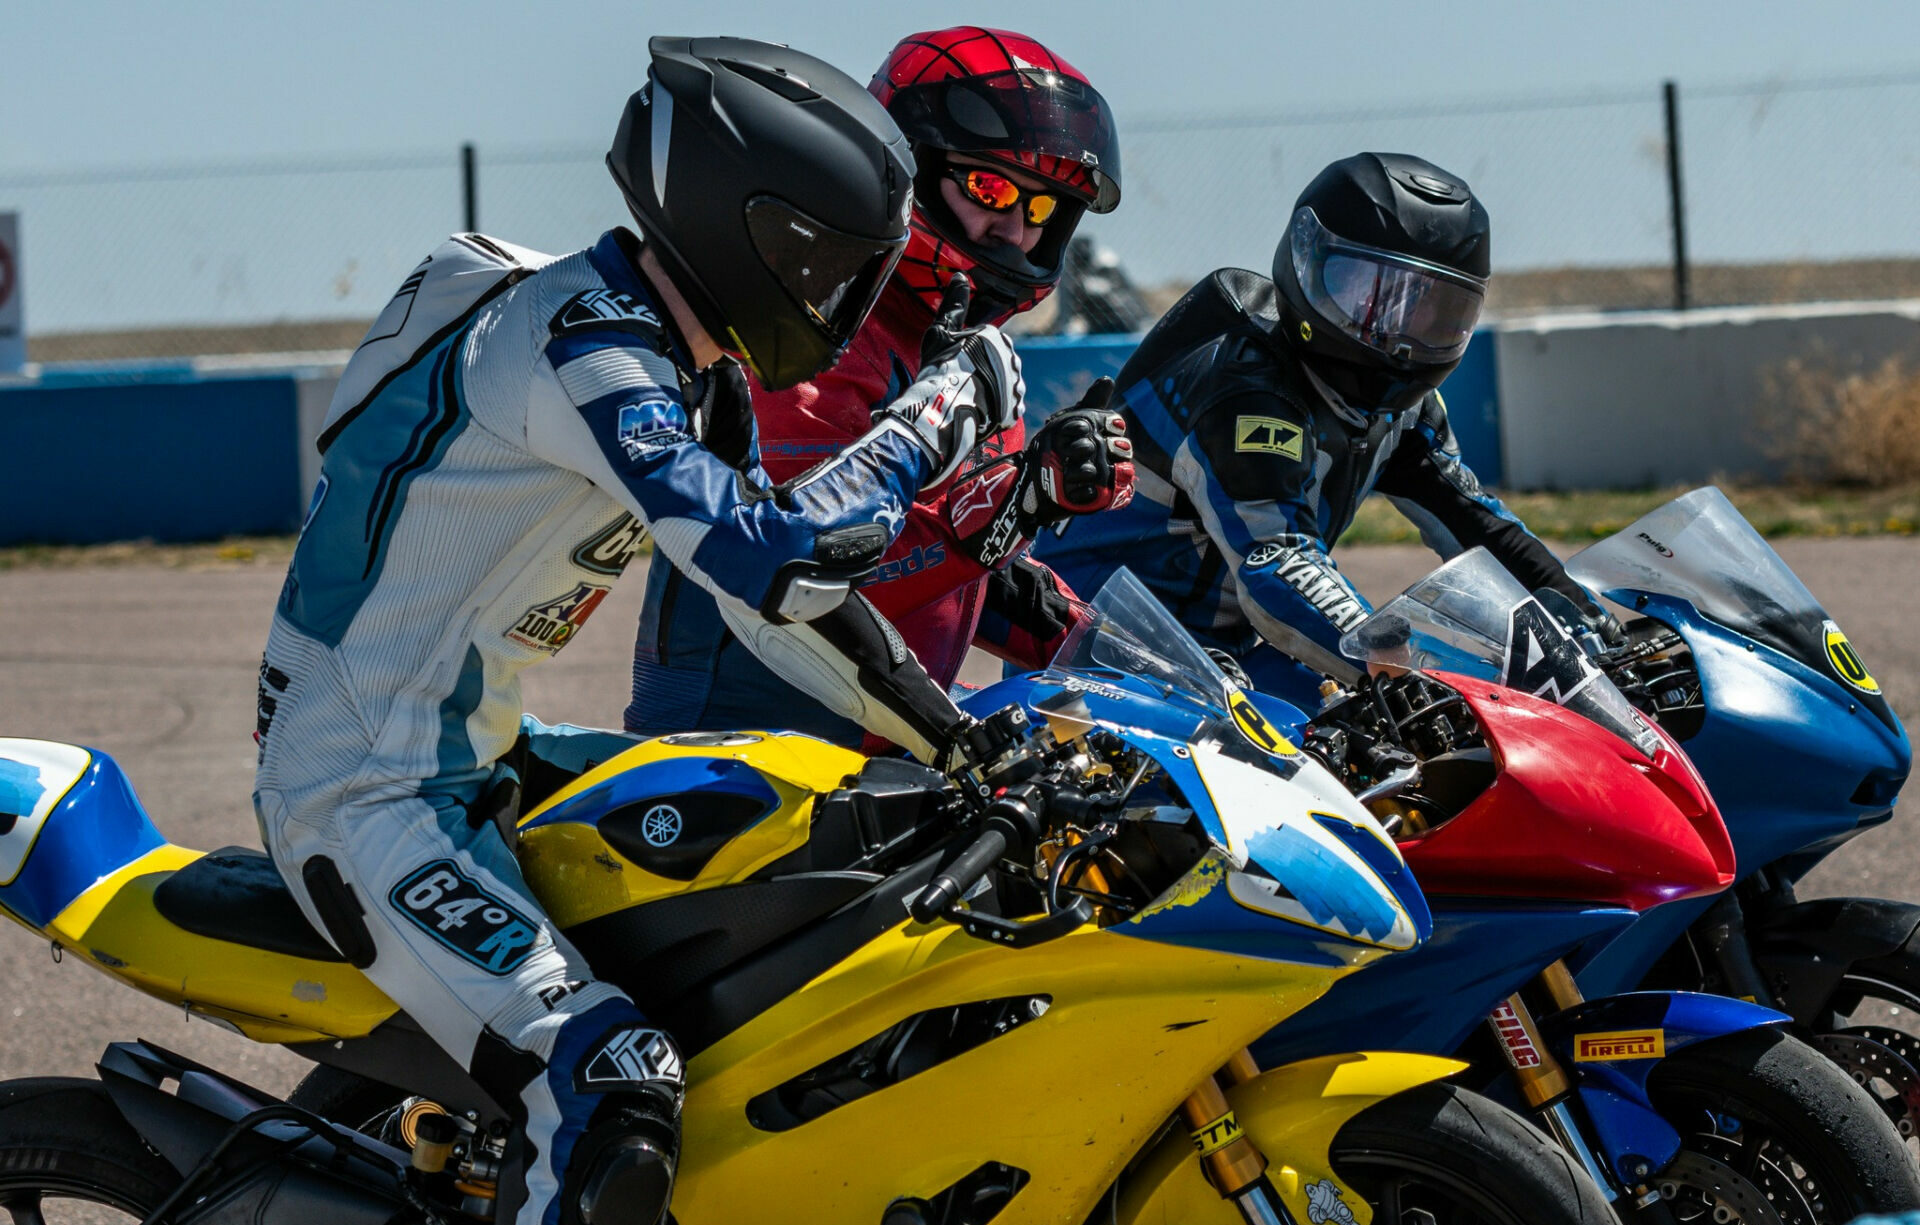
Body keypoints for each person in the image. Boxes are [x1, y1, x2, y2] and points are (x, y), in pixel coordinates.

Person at [252, 37, 1025, 1225]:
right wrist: (935, 418)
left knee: (817, 851)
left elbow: (780, 612)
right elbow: (770, 556)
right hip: (363, 782)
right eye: (834, 268)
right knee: (613, 1088)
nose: (848, 302)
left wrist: (967, 747)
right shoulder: (588, 339)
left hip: (475, 753)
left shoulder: (683, 365)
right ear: (749, 235)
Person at [624, 26, 1134, 747]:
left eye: (1043, 207)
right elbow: (798, 582)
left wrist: (1139, 669)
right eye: (991, 186)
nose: (1015, 228)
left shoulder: (975, 353)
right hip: (743, 766)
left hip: (891, 764)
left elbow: (971, 583)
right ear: (911, 169)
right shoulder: (811, 332)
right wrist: (1011, 507)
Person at [1036, 152, 1620, 712]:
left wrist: (1592, 626)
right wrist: (1404, 672)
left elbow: (1476, 522)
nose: (1399, 337)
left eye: (1434, 311)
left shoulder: (1406, 410)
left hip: (1220, 650)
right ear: (1306, 261)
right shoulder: (1248, 392)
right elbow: (1281, 566)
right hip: (1102, 649)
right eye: (1370, 296)